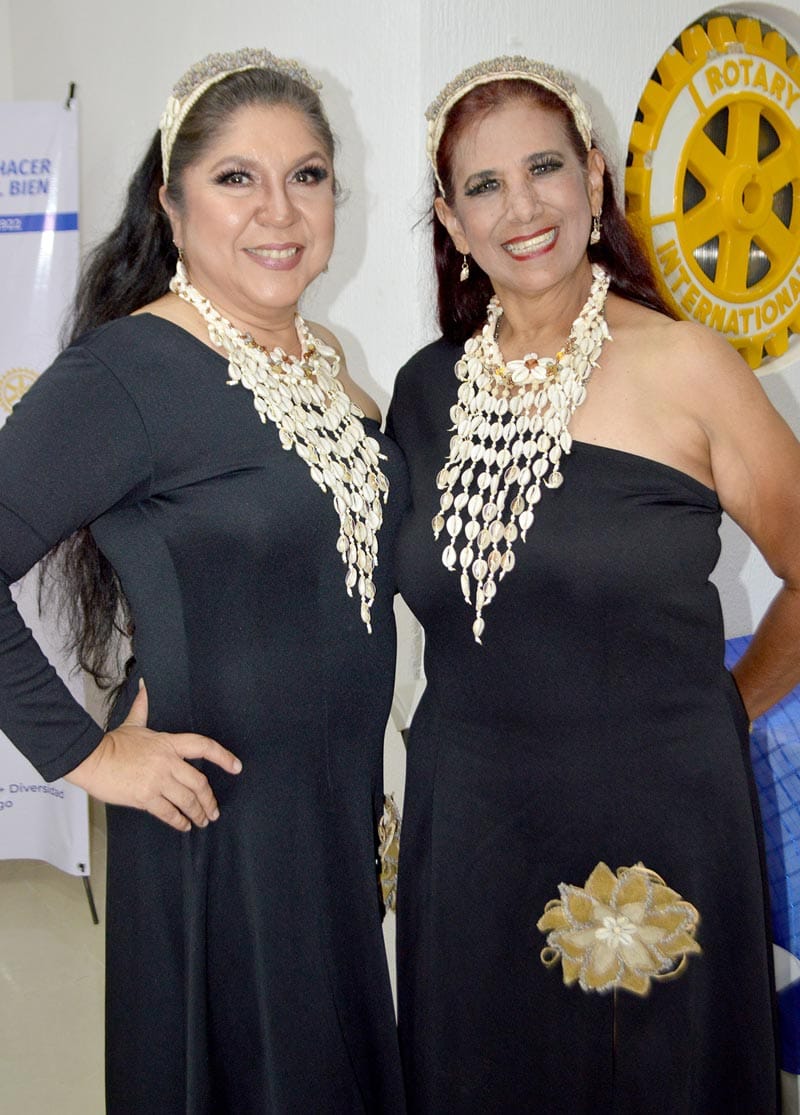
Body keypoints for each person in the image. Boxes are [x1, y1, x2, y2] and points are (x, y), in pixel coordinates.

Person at [386, 55, 800, 1114]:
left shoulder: (687, 364)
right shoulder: (424, 391)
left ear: (594, 177)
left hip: (655, 823)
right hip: (469, 825)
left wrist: (730, 704)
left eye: (544, 168)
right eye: (484, 186)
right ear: (452, 221)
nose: (522, 208)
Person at [0, 49, 407, 1113]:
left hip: (330, 819)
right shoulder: (126, 372)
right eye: (236, 178)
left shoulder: (324, 358)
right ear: (170, 207)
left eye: (307, 175)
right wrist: (85, 753)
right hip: (218, 828)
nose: (279, 210)